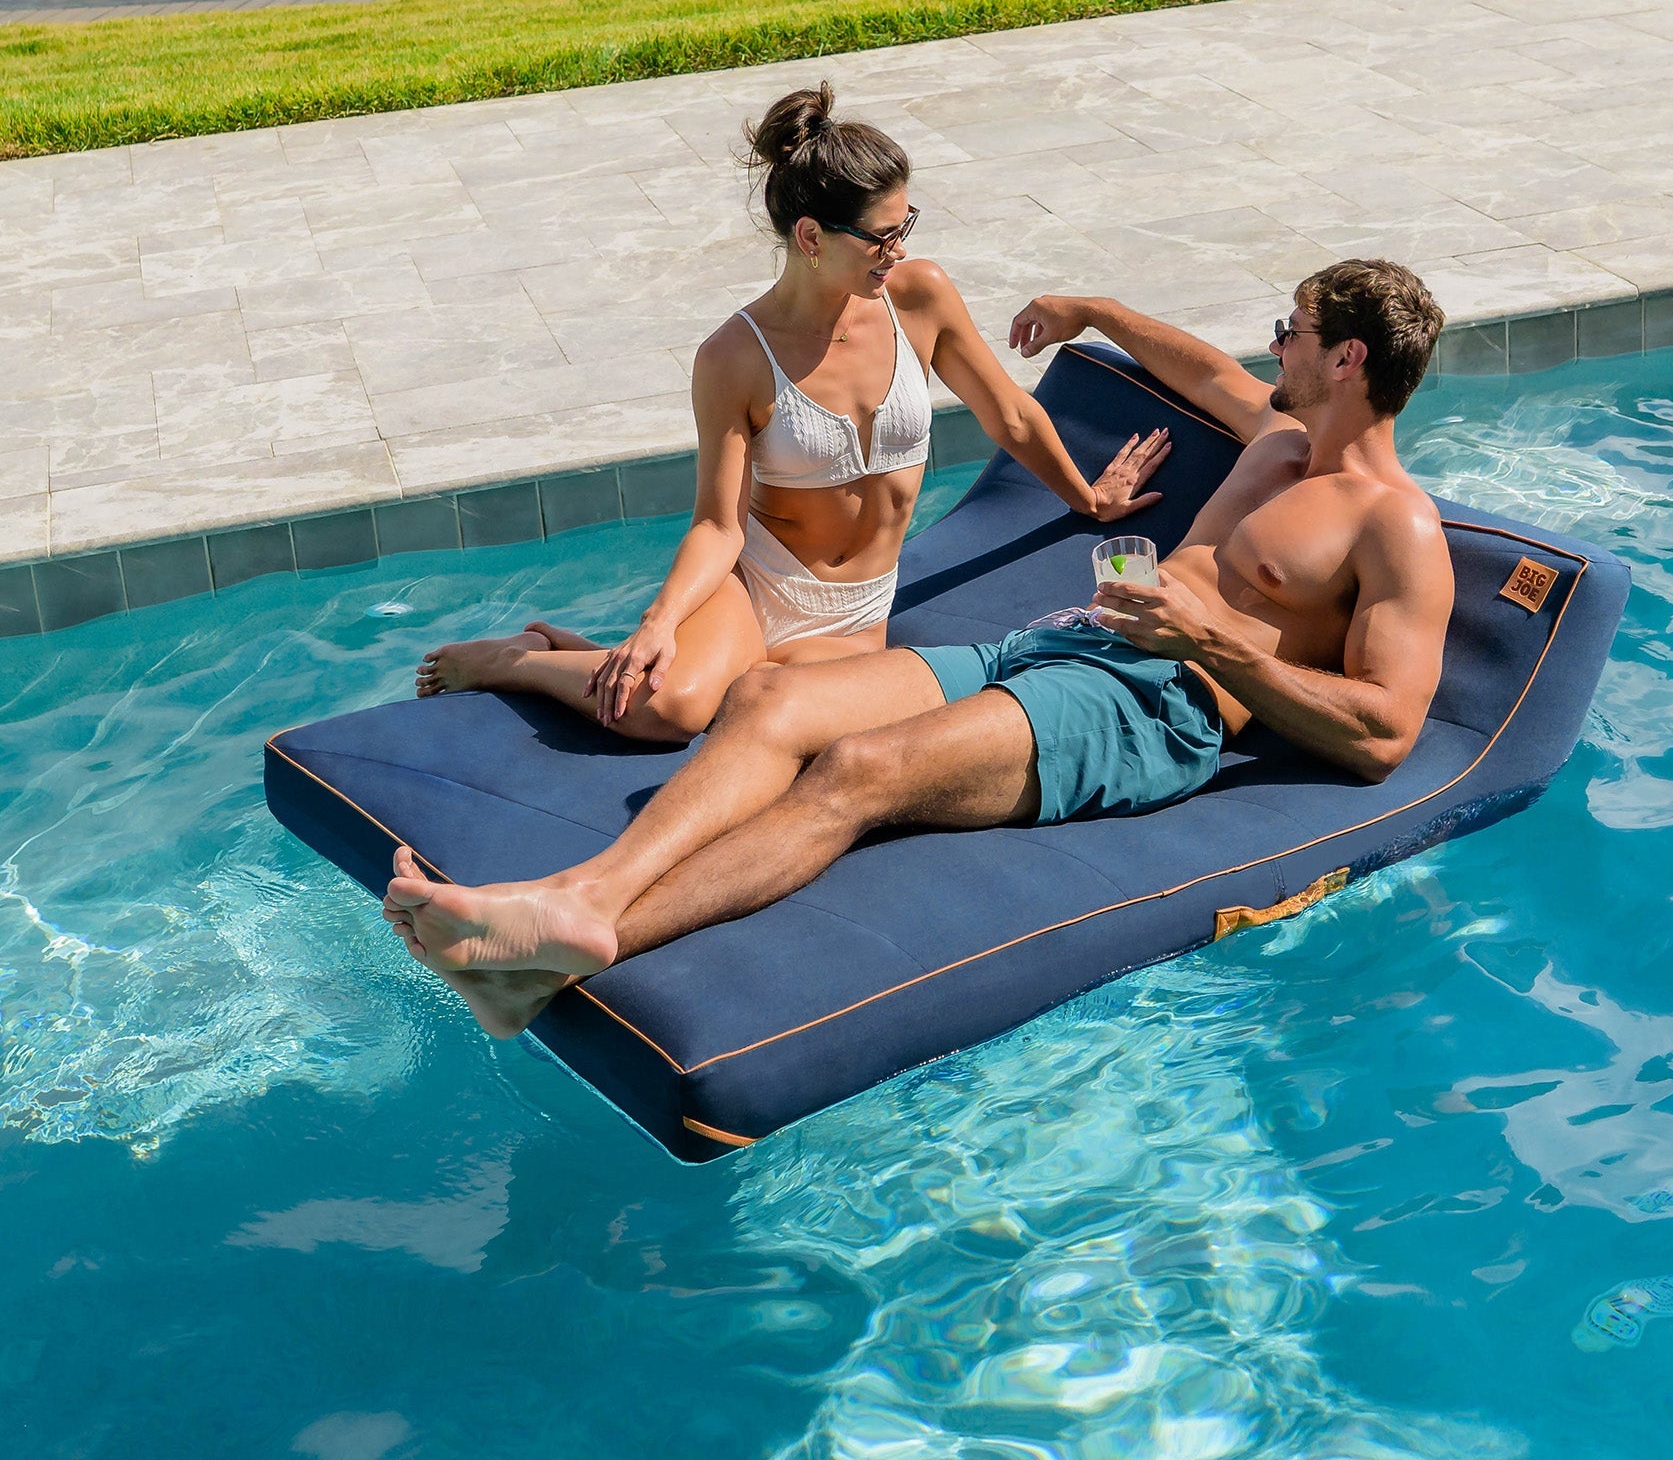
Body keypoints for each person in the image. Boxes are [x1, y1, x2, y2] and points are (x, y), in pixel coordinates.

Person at [384, 259, 1455, 1039]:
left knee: (858, 772)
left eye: (1291, 329)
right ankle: (578, 898)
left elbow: (1386, 734)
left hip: (1153, 707)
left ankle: (572, 948)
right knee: (766, 700)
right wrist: (1093, 309)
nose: (1272, 345)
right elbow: (1194, 366)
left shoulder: (1394, 525)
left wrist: (1220, 645)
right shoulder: (1279, 436)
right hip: (1059, 644)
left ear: (1347, 359)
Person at [413, 83, 1169, 740]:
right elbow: (717, 524)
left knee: (773, 717)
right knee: (666, 712)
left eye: (906, 226)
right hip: (763, 585)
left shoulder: (920, 297)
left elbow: (1009, 413)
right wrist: (659, 620)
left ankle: (569, 646)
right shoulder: (735, 357)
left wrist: (1088, 496)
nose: (898, 250)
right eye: (880, 236)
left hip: (858, 612)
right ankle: (518, 660)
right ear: (810, 237)